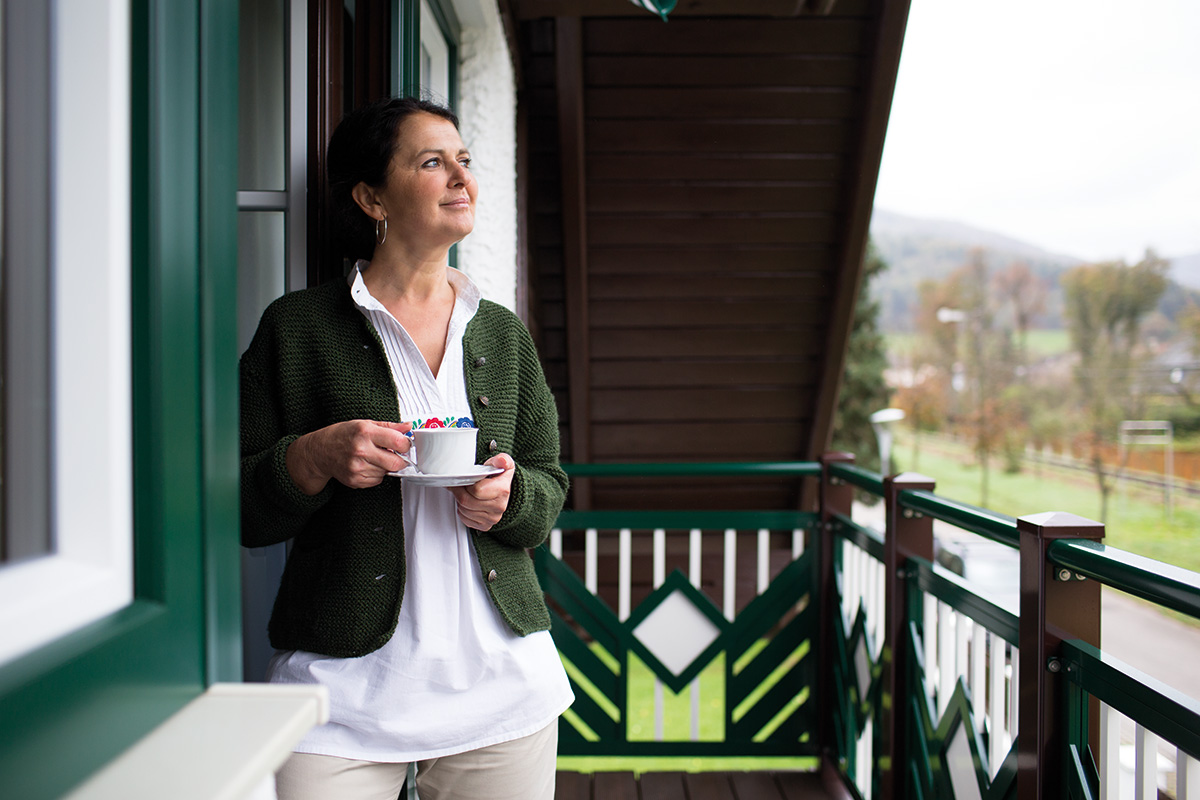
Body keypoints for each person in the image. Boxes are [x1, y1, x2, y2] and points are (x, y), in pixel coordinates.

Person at [239, 96, 573, 800]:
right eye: (431, 162)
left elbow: (549, 487)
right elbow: (241, 512)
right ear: (371, 198)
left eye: (465, 161)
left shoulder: (502, 334)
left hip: (502, 690)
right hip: (339, 696)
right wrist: (310, 460)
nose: (461, 177)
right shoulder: (296, 329)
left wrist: (510, 501)